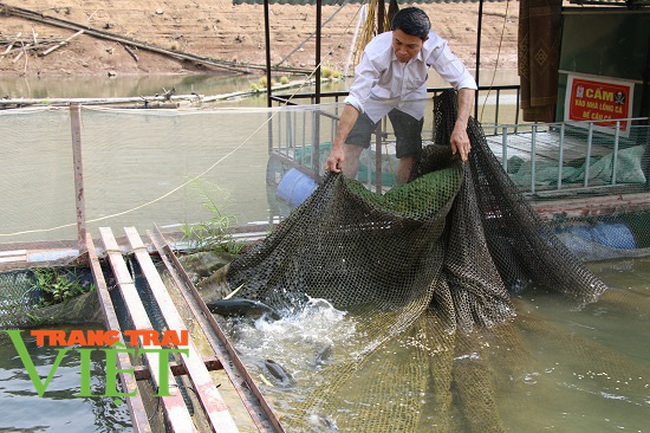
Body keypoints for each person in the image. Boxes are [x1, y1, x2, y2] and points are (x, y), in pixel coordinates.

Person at [325, 7, 477, 184]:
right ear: (392, 34)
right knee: (351, 145)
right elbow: (355, 100)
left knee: (410, 151)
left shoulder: (435, 47)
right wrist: (337, 146)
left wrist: (461, 127)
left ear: (424, 41)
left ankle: (400, 199)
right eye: (398, 42)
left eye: (411, 46)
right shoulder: (376, 51)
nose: (403, 51)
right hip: (376, 96)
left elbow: (465, 82)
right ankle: (343, 196)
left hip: (412, 96)